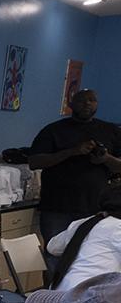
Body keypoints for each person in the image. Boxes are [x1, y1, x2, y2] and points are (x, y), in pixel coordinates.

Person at [28, 89, 121, 243]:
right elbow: (34, 162)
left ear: (97, 104)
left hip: (95, 207)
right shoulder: (53, 130)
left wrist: (105, 158)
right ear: (70, 104)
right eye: (81, 100)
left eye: (92, 100)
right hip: (57, 207)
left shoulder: (110, 130)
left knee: (88, 253)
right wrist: (72, 151)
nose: (87, 104)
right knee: (54, 254)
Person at [47, 182, 121, 290]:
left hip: (60, 293)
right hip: (89, 297)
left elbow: (52, 247)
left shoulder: (85, 222)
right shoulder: (117, 227)